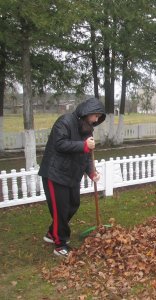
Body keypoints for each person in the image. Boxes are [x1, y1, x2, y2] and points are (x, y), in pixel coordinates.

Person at [38, 97, 106, 257]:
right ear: (87, 112)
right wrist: (83, 145)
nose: (96, 120)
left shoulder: (87, 128)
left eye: (98, 117)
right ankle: (60, 245)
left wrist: (91, 172)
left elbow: (87, 155)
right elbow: (59, 144)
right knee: (60, 210)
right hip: (55, 173)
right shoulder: (65, 122)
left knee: (73, 205)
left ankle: (51, 233)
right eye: (95, 115)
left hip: (71, 175)